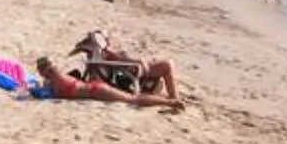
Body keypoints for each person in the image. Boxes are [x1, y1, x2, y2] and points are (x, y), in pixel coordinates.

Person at [35, 56, 184, 107]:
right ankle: (168, 99)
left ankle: (170, 102)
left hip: (96, 91)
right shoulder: (60, 77)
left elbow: (53, 93)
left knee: (133, 99)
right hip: (95, 87)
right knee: (132, 98)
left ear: (44, 72)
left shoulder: (57, 82)